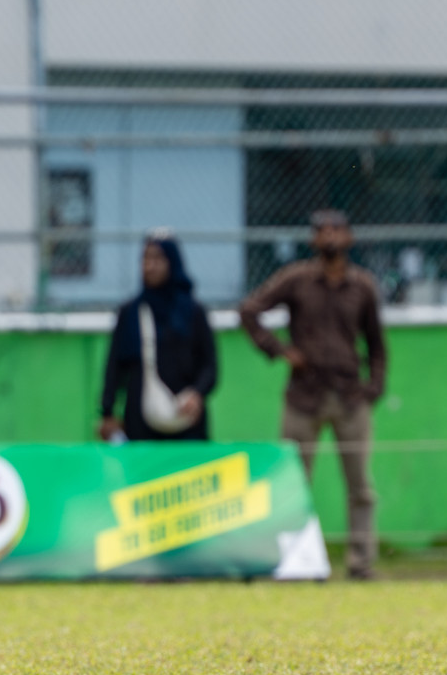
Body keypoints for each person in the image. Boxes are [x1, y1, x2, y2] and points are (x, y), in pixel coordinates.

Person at [240, 210, 386, 579]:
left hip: (350, 397)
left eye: (337, 230)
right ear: (313, 240)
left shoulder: (363, 286)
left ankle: (361, 562)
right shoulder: (297, 280)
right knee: (292, 483)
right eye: (322, 231)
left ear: (349, 238)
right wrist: (280, 350)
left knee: (360, 487)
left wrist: (373, 387)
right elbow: (249, 310)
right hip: (303, 396)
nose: (330, 237)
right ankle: (292, 559)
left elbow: (376, 343)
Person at [98, 234, 217, 442]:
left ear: (173, 262)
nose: (150, 266)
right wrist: (107, 413)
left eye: (158, 259)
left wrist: (197, 394)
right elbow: (114, 367)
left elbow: (210, 366)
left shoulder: (193, 312)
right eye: (145, 259)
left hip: (187, 421)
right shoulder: (131, 312)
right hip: (141, 422)